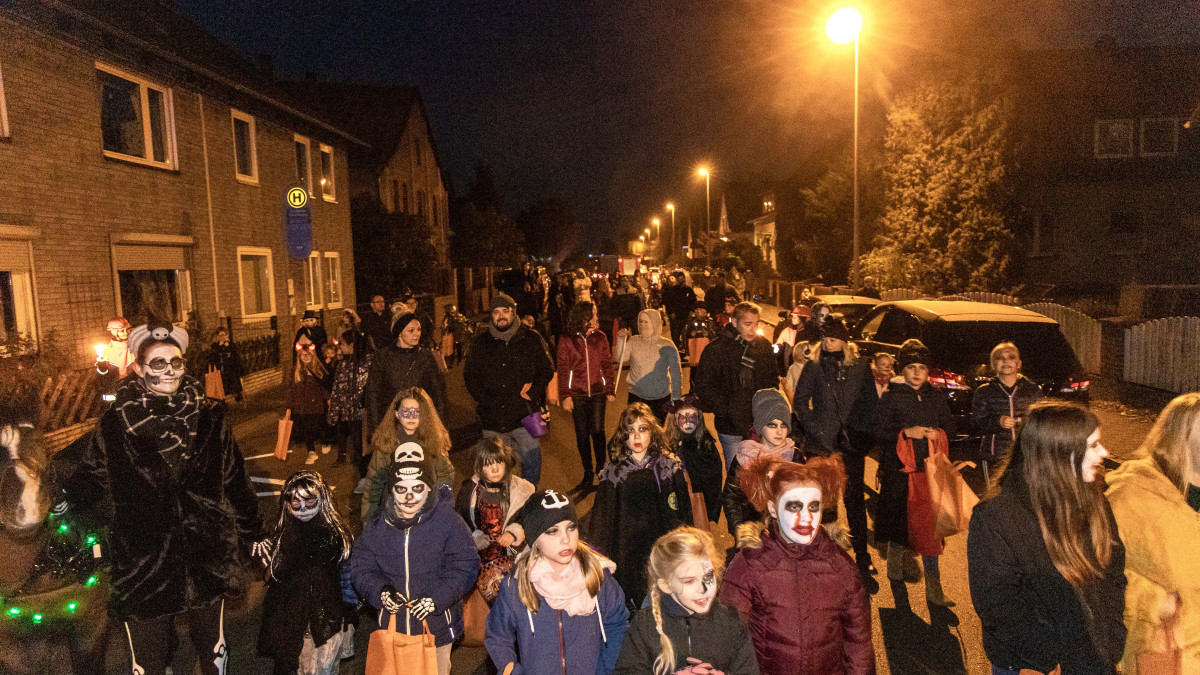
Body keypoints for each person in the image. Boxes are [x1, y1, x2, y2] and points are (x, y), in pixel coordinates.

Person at [62, 322, 266, 675]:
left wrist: (255, 532)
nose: (170, 370)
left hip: (205, 550)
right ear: (139, 369)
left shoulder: (211, 417)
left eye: (176, 362)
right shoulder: (115, 423)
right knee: (148, 659)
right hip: (145, 558)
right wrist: (62, 497)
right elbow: (92, 474)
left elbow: (235, 479)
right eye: (158, 363)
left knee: (212, 649)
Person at [968, 402, 1126, 675]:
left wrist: (1111, 633)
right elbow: (998, 604)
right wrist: (1047, 658)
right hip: (1032, 664)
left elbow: (1113, 570)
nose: (1105, 453)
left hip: (1092, 657)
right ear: (1059, 454)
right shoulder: (997, 516)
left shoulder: (1093, 497)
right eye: (1093, 445)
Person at [720, 455, 874, 675]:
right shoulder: (750, 565)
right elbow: (728, 639)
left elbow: (858, 644)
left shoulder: (842, 567)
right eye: (794, 507)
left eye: (814, 506)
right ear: (773, 509)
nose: (806, 518)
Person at [351, 456, 481, 675]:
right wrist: (380, 591)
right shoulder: (377, 526)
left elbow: (466, 565)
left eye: (417, 488)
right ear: (391, 491)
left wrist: (436, 599)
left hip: (437, 626)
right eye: (401, 489)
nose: (409, 497)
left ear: (430, 489)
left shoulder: (448, 522)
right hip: (395, 624)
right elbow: (361, 567)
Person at [1104, 393, 1200, 674]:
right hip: (1170, 656)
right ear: (1179, 438)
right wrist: (1155, 600)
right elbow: (1100, 578)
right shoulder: (1131, 496)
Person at [486, 489, 629, 674]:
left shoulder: (596, 575)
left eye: (571, 527)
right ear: (535, 539)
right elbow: (497, 636)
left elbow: (618, 624)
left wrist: (605, 669)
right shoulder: (517, 585)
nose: (566, 539)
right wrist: (511, 669)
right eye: (552, 531)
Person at [791, 316, 878, 590]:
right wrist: (817, 431)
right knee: (825, 506)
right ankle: (824, 559)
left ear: (845, 341)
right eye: (826, 338)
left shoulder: (861, 367)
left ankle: (862, 558)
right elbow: (800, 403)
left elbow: (869, 404)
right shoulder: (814, 367)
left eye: (835, 338)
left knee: (854, 503)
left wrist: (861, 438)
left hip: (851, 445)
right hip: (821, 446)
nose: (830, 343)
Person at [587, 403, 693, 608]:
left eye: (642, 429)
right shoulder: (614, 473)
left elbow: (682, 511)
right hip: (628, 551)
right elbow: (603, 520)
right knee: (636, 603)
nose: (636, 437)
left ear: (652, 431)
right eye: (630, 431)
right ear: (622, 435)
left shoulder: (669, 467)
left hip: (662, 546)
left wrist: (684, 545)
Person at [874, 338, 955, 605]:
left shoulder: (936, 397)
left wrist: (938, 433)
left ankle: (934, 589)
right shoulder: (891, 397)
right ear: (903, 370)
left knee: (931, 529)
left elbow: (951, 429)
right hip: (900, 472)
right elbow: (880, 431)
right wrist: (905, 432)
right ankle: (894, 565)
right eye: (911, 367)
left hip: (930, 472)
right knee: (902, 524)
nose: (917, 372)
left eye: (922, 366)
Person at [615, 526, 760, 675]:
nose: (703, 589)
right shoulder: (644, 626)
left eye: (708, 576)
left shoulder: (732, 623)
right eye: (689, 581)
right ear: (666, 585)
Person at [258, 471, 356, 675]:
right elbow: (271, 579)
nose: (303, 508)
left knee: (322, 669)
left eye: (310, 501)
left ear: (322, 500)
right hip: (291, 621)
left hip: (324, 620)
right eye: (296, 502)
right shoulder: (282, 536)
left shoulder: (335, 536)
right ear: (287, 503)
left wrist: (348, 611)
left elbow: (347, 576)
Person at [464, 293, 555, 485]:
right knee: (496, 469)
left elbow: (546, 369)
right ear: (491, 316)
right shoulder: (480, 343)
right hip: (493, 418)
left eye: (505, 311)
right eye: (496, 312)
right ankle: (502, 505)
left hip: (525, 415)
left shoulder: (531, 338)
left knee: (532, 462)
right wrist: (485, 400)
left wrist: (533, 392)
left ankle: (526, 501)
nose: (501, 316)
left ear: (514, 312)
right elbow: (470, 377)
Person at [692, 301, 780, 474]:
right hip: (729, 426)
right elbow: (704, 386)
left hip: (758, 424)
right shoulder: (716, 349)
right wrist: (726, 409)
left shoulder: (763, 347)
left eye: (756, 324)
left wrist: (767, 410)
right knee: (737, 475)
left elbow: (772, 381)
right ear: (734, 322)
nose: (753, 329)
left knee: (759, 474)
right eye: (748, 324)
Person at [455, 437, 536, 602]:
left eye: (499, 462)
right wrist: (475, 536)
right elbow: (459, 521)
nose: (495, 469)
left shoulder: (521, 490)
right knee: (490, 598)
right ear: (479, 467)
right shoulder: (469, 492)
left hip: (514, 554)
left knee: (519, 596)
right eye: (488, 464)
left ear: (506, 462)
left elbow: (530, 518)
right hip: (481, 558)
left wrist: (514, 533)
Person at [361, 387, 454, 522]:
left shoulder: (433, 442)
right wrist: (369, 520)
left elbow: (445, 476)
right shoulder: (386, 444)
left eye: (417, 412)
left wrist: (443, 510)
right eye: (406, 411)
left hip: (427, 512)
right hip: (395, 513)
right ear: (397, 414)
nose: (411, 416)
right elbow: (374, 484)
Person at [723, 388, 801, 545]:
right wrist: (741, 530)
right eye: (772, 425)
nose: (779, 431)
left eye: (783, 425)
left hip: (789, 533)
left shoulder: (794, 455)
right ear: (760, 426)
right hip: (755, 535)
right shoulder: (746, 455)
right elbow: (730, 496)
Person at [557, 301, 616, 493]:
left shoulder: (600, 337)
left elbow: (607, 364)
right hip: (577, 394)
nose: (597, 318)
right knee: (582, 434)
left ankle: (601, 467)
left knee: (598, 431)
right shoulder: (567, 339)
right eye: (594, 314)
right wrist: (565, 395)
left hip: (598, 391)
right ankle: (588, 472)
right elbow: (563, 368)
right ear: (584, 317)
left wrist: (610, 388)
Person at [363, 312, 447, 438]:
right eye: (411, 330)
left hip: (421, 424)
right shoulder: (383, 357)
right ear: (400, 333)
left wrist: (440, 426)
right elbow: (373, 393)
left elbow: (438, 392)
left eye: (418, 329)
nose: (416, 334)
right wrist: (376, 428)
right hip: (391, 423)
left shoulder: (425, 356)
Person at [972, 342, 1044, 480]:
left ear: (1019, 363)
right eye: (1000, 358)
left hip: (1026, 455)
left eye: (1011, 357)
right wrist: (997, 421)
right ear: (993, 365)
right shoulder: (984, 392)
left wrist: (1025, 422)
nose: (1006, 361)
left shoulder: (1032, 390)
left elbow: (1041, 420)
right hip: (995, 457)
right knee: (997, 497)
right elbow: (976, 424)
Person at [664, 395, 723, 525]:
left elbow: (714, 479)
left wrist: (709, 509)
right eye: (683, 418)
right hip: (678, 502)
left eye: (692, 417)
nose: (687, 422)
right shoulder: (669, 445)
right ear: (674, 420)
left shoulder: (705, 445)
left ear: (699, 418)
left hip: (698, 503)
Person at [618, 309, 683, 424]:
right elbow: (620, 359)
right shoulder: (634, 341)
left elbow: (676, 373)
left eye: (646, 322)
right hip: (636, 397)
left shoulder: (667, 344)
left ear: (655, 323)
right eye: (640, 321)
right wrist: (621, 340)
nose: (642, 325)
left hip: (660, 399)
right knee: (637, 431)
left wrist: (676, 398)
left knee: (656, 434)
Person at [326, 329, 372, 470]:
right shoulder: (343, 364)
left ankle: (368, 474)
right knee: (357, 445)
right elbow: (337, 389)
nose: (340, 347)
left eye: (343, 344)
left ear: (351, 345)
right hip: (349, 412)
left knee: (364, 444)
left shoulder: (368, 362)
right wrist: (333, 414)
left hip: (363, 411)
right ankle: (363, 473)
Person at [288, 335, 331, 465]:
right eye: (303, 355)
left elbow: (324, 386)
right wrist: (289, 406)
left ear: (313, 356)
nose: (305, 357)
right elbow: (291, 389)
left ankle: (325, 440)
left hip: (316, 405)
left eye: (308, 355)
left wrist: (328, 399)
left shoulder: (318, 369)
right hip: (302, 406)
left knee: (318, 425)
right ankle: (311, 452)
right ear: (299, 357)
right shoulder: (296, 371)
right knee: (307, 429)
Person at [207, 327, 245, 402]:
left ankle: (239, 399)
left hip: (231, 370)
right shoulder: (215, 346)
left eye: (223, 335)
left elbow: (236, 358)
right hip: (221, 371)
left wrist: (240, 371)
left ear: (227, 335)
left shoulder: (231, 345)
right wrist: (220, 346)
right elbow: (213, 357)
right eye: (220, 335)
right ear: (217, 337)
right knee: (222, 389)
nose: (222, 337)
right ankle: (223, 404)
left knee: (235, 388)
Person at [662, 271, 696, 348]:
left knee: (685, 335)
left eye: (683, 278)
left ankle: (684, 350)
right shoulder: (672, 290)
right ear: (677, 279)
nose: (682, 280)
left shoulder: (688, 290)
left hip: (686, 317)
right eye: (680, 278)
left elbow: (693, 301)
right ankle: (677, 352)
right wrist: (671, 312)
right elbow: (668, 303)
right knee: (675, 336)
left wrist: (692, 310)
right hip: (675, 318)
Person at [781, 340, 813, 404]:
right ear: (800, 353)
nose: (811, 355)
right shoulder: (794, 369)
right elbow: (789, 389)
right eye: (807, 352)